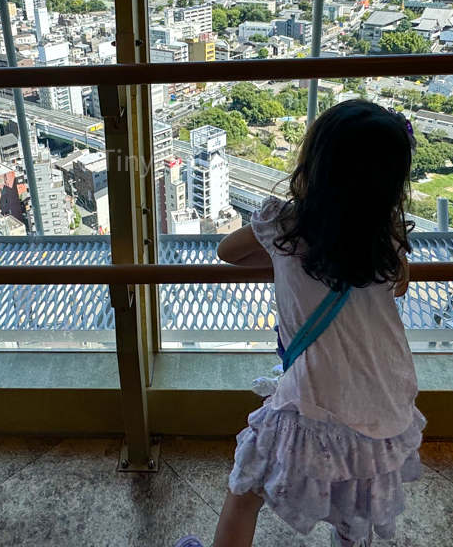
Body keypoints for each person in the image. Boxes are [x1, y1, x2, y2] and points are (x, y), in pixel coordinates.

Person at [176, 99, 424, 547]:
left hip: (313, 400)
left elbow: (228, 253)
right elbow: (399, 286)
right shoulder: (386, 237)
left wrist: (280, 260)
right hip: (385, 400)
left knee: (246, 488)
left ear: (315, 163)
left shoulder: (283, 224)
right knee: (355, 509)